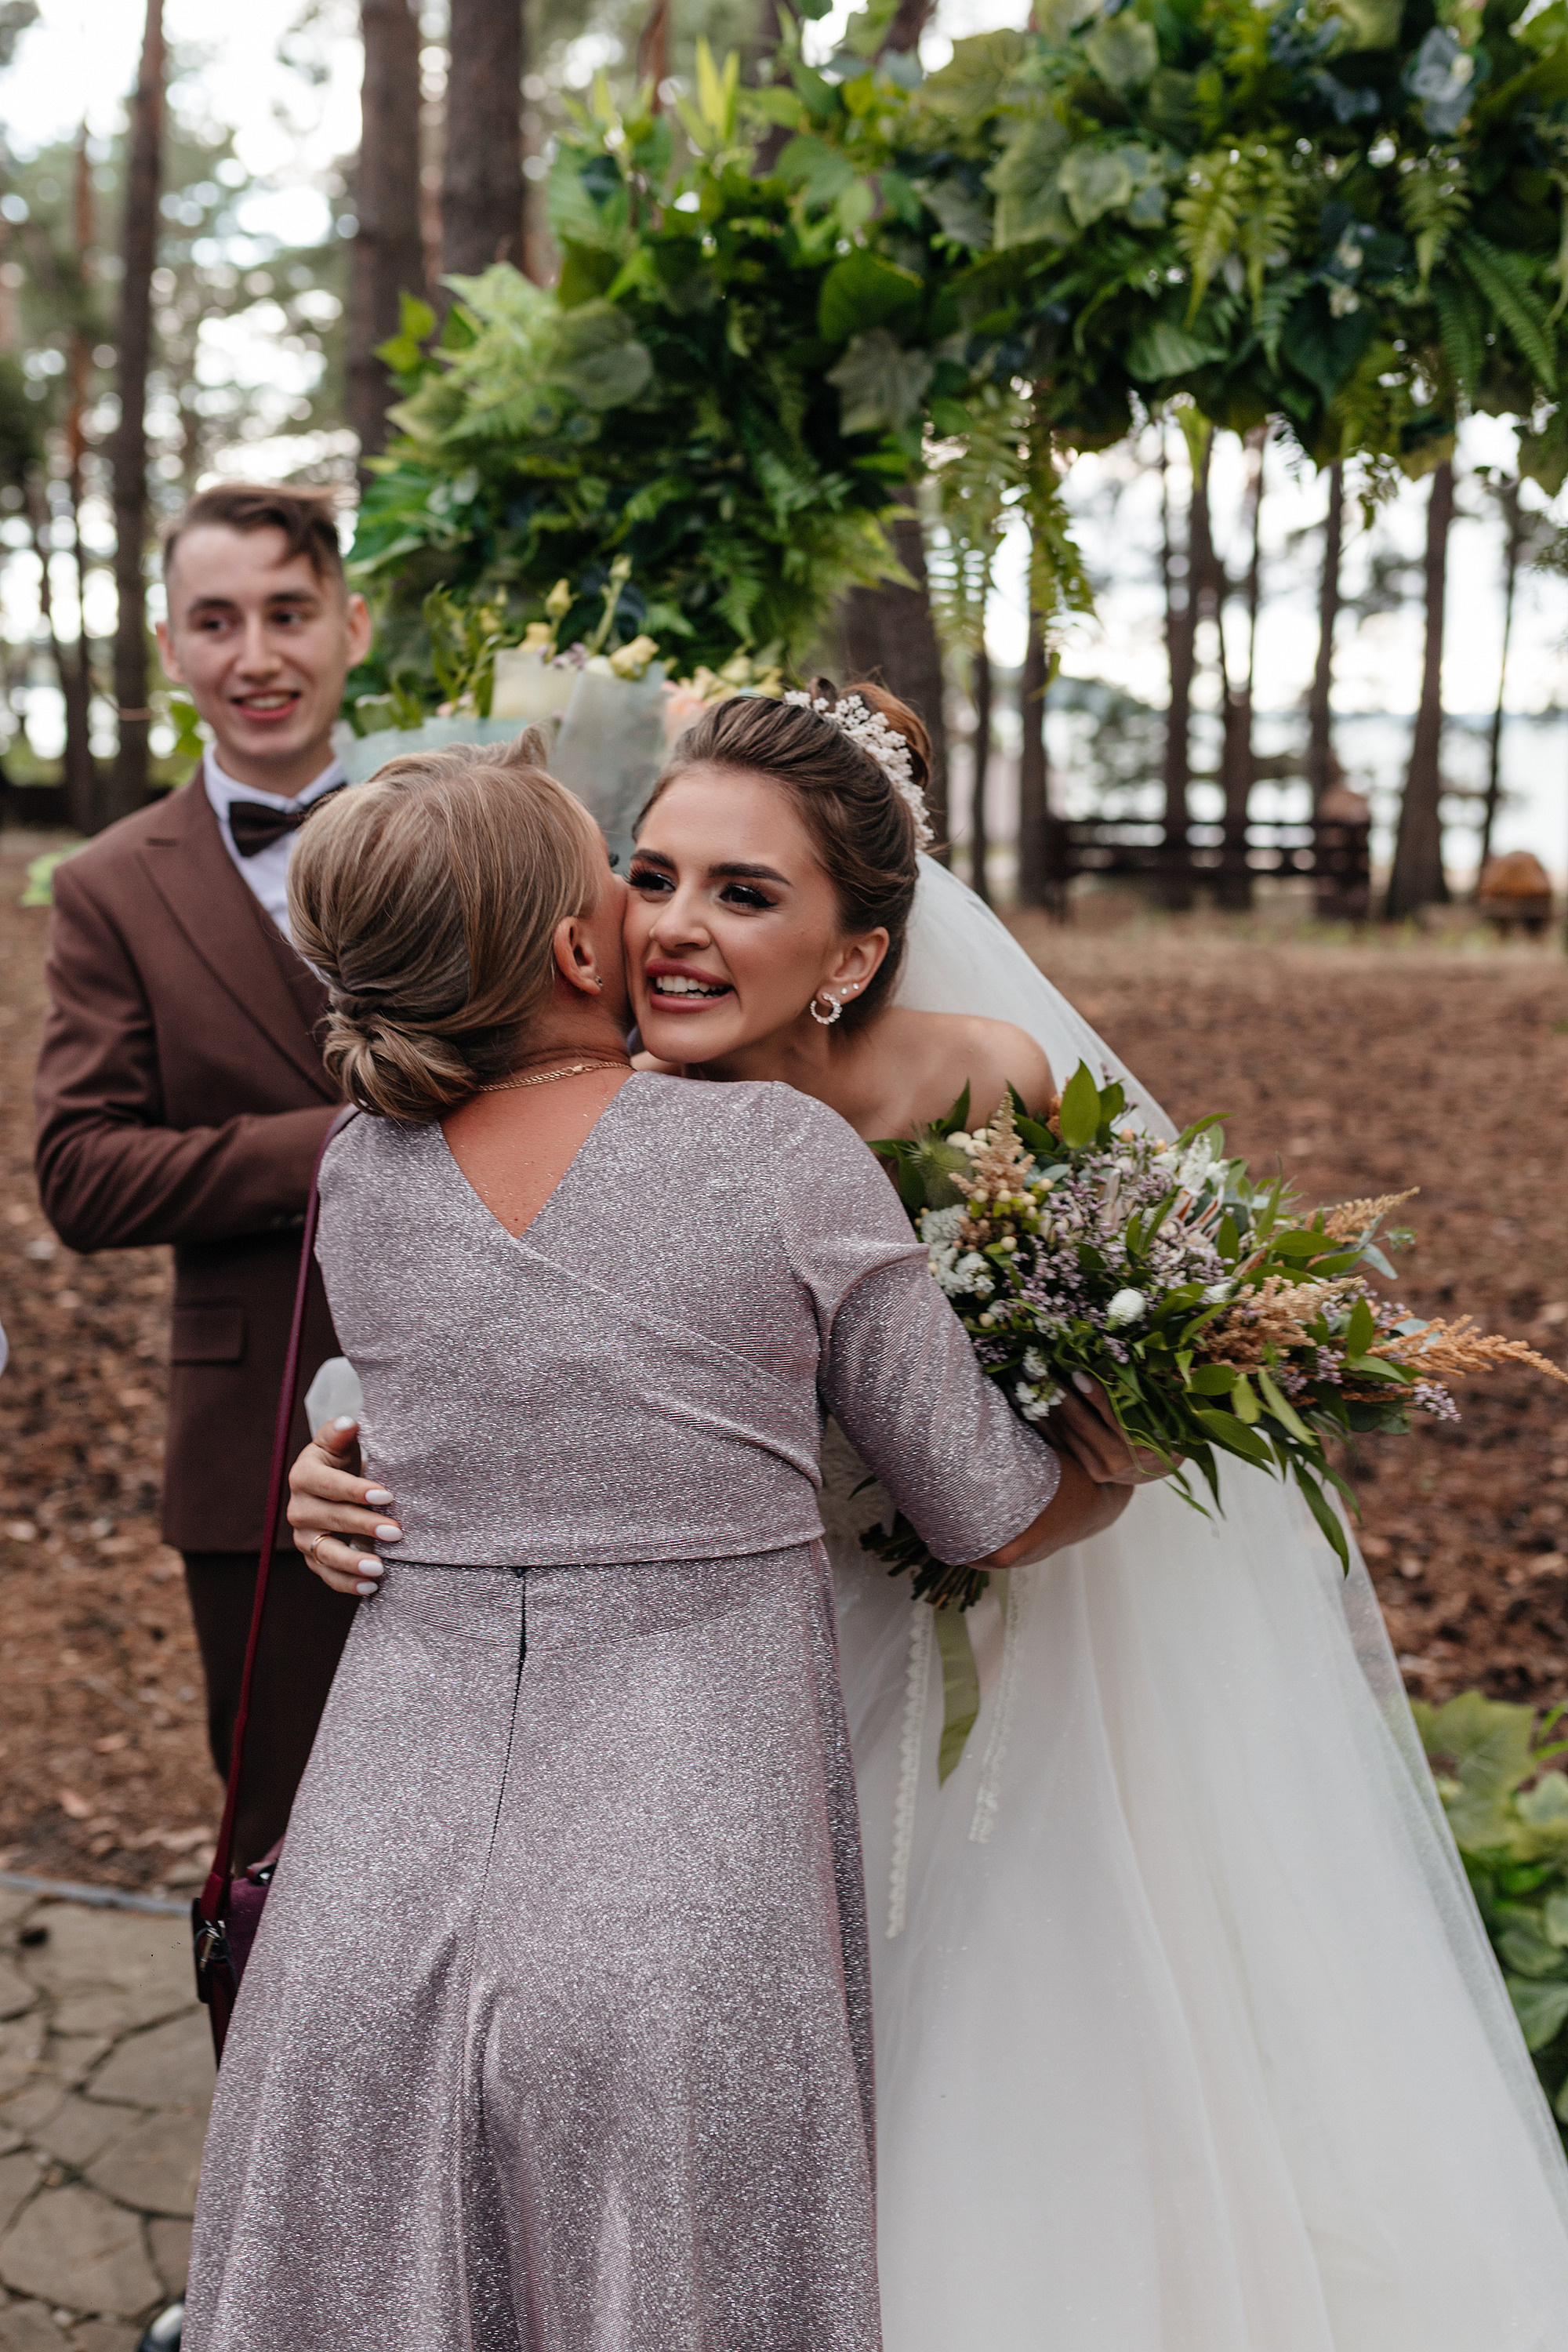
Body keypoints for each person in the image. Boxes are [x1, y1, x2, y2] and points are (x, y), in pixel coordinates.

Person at [296, 684, 1568, 2350]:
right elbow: (483, 1326)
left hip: (943, 1639)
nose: (673, 928)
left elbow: (1038, 1438)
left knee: (955, 2057)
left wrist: (1124, 1437)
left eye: (744, 896)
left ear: (849, 954)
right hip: (697, 1670)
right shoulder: (560, 1076)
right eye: (650, 872)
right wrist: (344, 1450)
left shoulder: (973, 1093)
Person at [182, 735, 1145, 2352]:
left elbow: (462, 1393)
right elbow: (982, 1501)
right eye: (632, 878)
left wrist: (335, 1464)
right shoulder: (775, 1160)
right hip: (681, 1857)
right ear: (579, 946)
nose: (670, 920)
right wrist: (1104, 1481)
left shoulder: (359, 1170)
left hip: (379, 1857)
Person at [32, 482, 370, 1867]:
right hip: (255, 1434)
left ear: (351, 625)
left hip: (503, 1407)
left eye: (288, 614)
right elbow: (82, 1171)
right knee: (287, 1842)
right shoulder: (115, 883)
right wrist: (347, 1141)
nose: (256, 657)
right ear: (171, 648)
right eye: (216, 622)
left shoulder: (464, 827)